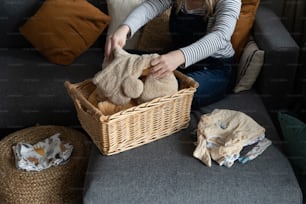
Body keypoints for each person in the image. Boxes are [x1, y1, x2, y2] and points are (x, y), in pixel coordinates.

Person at [104, 0, 241, 109]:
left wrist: (179, 56)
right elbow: (150, 6)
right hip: (176, 64)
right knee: (123, 62)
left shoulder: (229, 1)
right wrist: (125, 28)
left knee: (167, 94)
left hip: (214, 69)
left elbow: (220, 36)